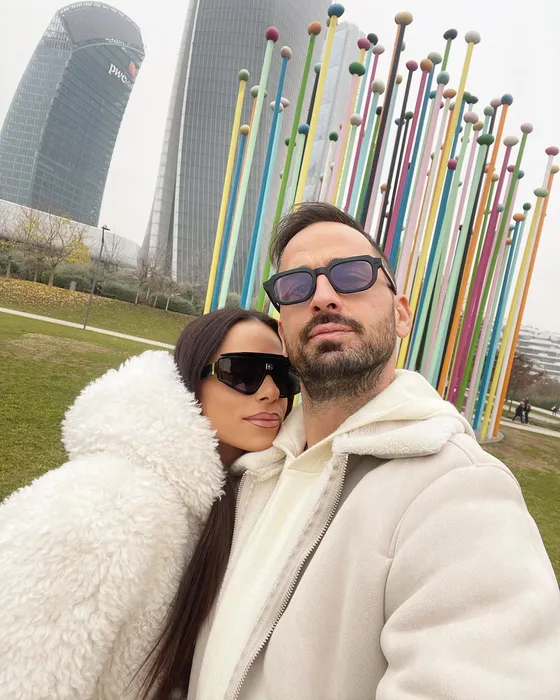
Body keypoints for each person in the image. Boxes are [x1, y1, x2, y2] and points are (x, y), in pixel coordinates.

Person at [189, 203, 560, 700]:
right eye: (296, 286)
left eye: (351, 275)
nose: (323, 296)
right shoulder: (251, 469)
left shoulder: (459, 492)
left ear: (401, 314)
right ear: (283, 329)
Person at [0, 308, 299, 699]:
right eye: (242, 372)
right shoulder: (101, 508)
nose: (271, 392)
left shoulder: (231, 505)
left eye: (284, 374)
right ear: (192, 380)